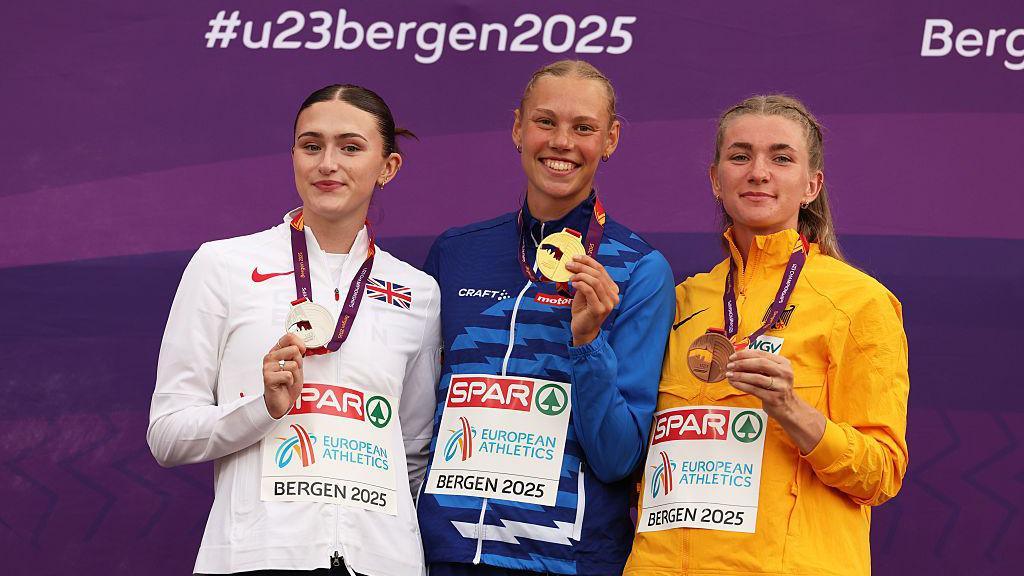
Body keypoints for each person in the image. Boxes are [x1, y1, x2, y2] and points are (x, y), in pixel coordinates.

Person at [147, 85, 440, 576]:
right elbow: (168, 435)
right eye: (311, 145)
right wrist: (260, 409)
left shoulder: (418, 292)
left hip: (382, 561)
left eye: (350, 147)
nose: (328, 163)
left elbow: (412, 451)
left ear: (387, 167)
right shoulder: (224, 264)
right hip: (256, 555)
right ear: (294, 158)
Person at [624, 95, 909, 576]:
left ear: (811, 185)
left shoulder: (860, 302)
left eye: (781, 158)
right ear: (717, 179)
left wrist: (791, 410)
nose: (758, 172)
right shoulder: (683, 300)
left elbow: (881, 472)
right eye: (740, 156)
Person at [416, 60, 676, 575]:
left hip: (563, 558)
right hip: (448, 553)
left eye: (584, 128)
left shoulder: (639, 270)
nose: (562, 142)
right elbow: (419, 415)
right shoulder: (457, 252)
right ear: (518, 128)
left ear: (611, 139)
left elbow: (619, 458)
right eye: (545, 122)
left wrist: (588, 344)